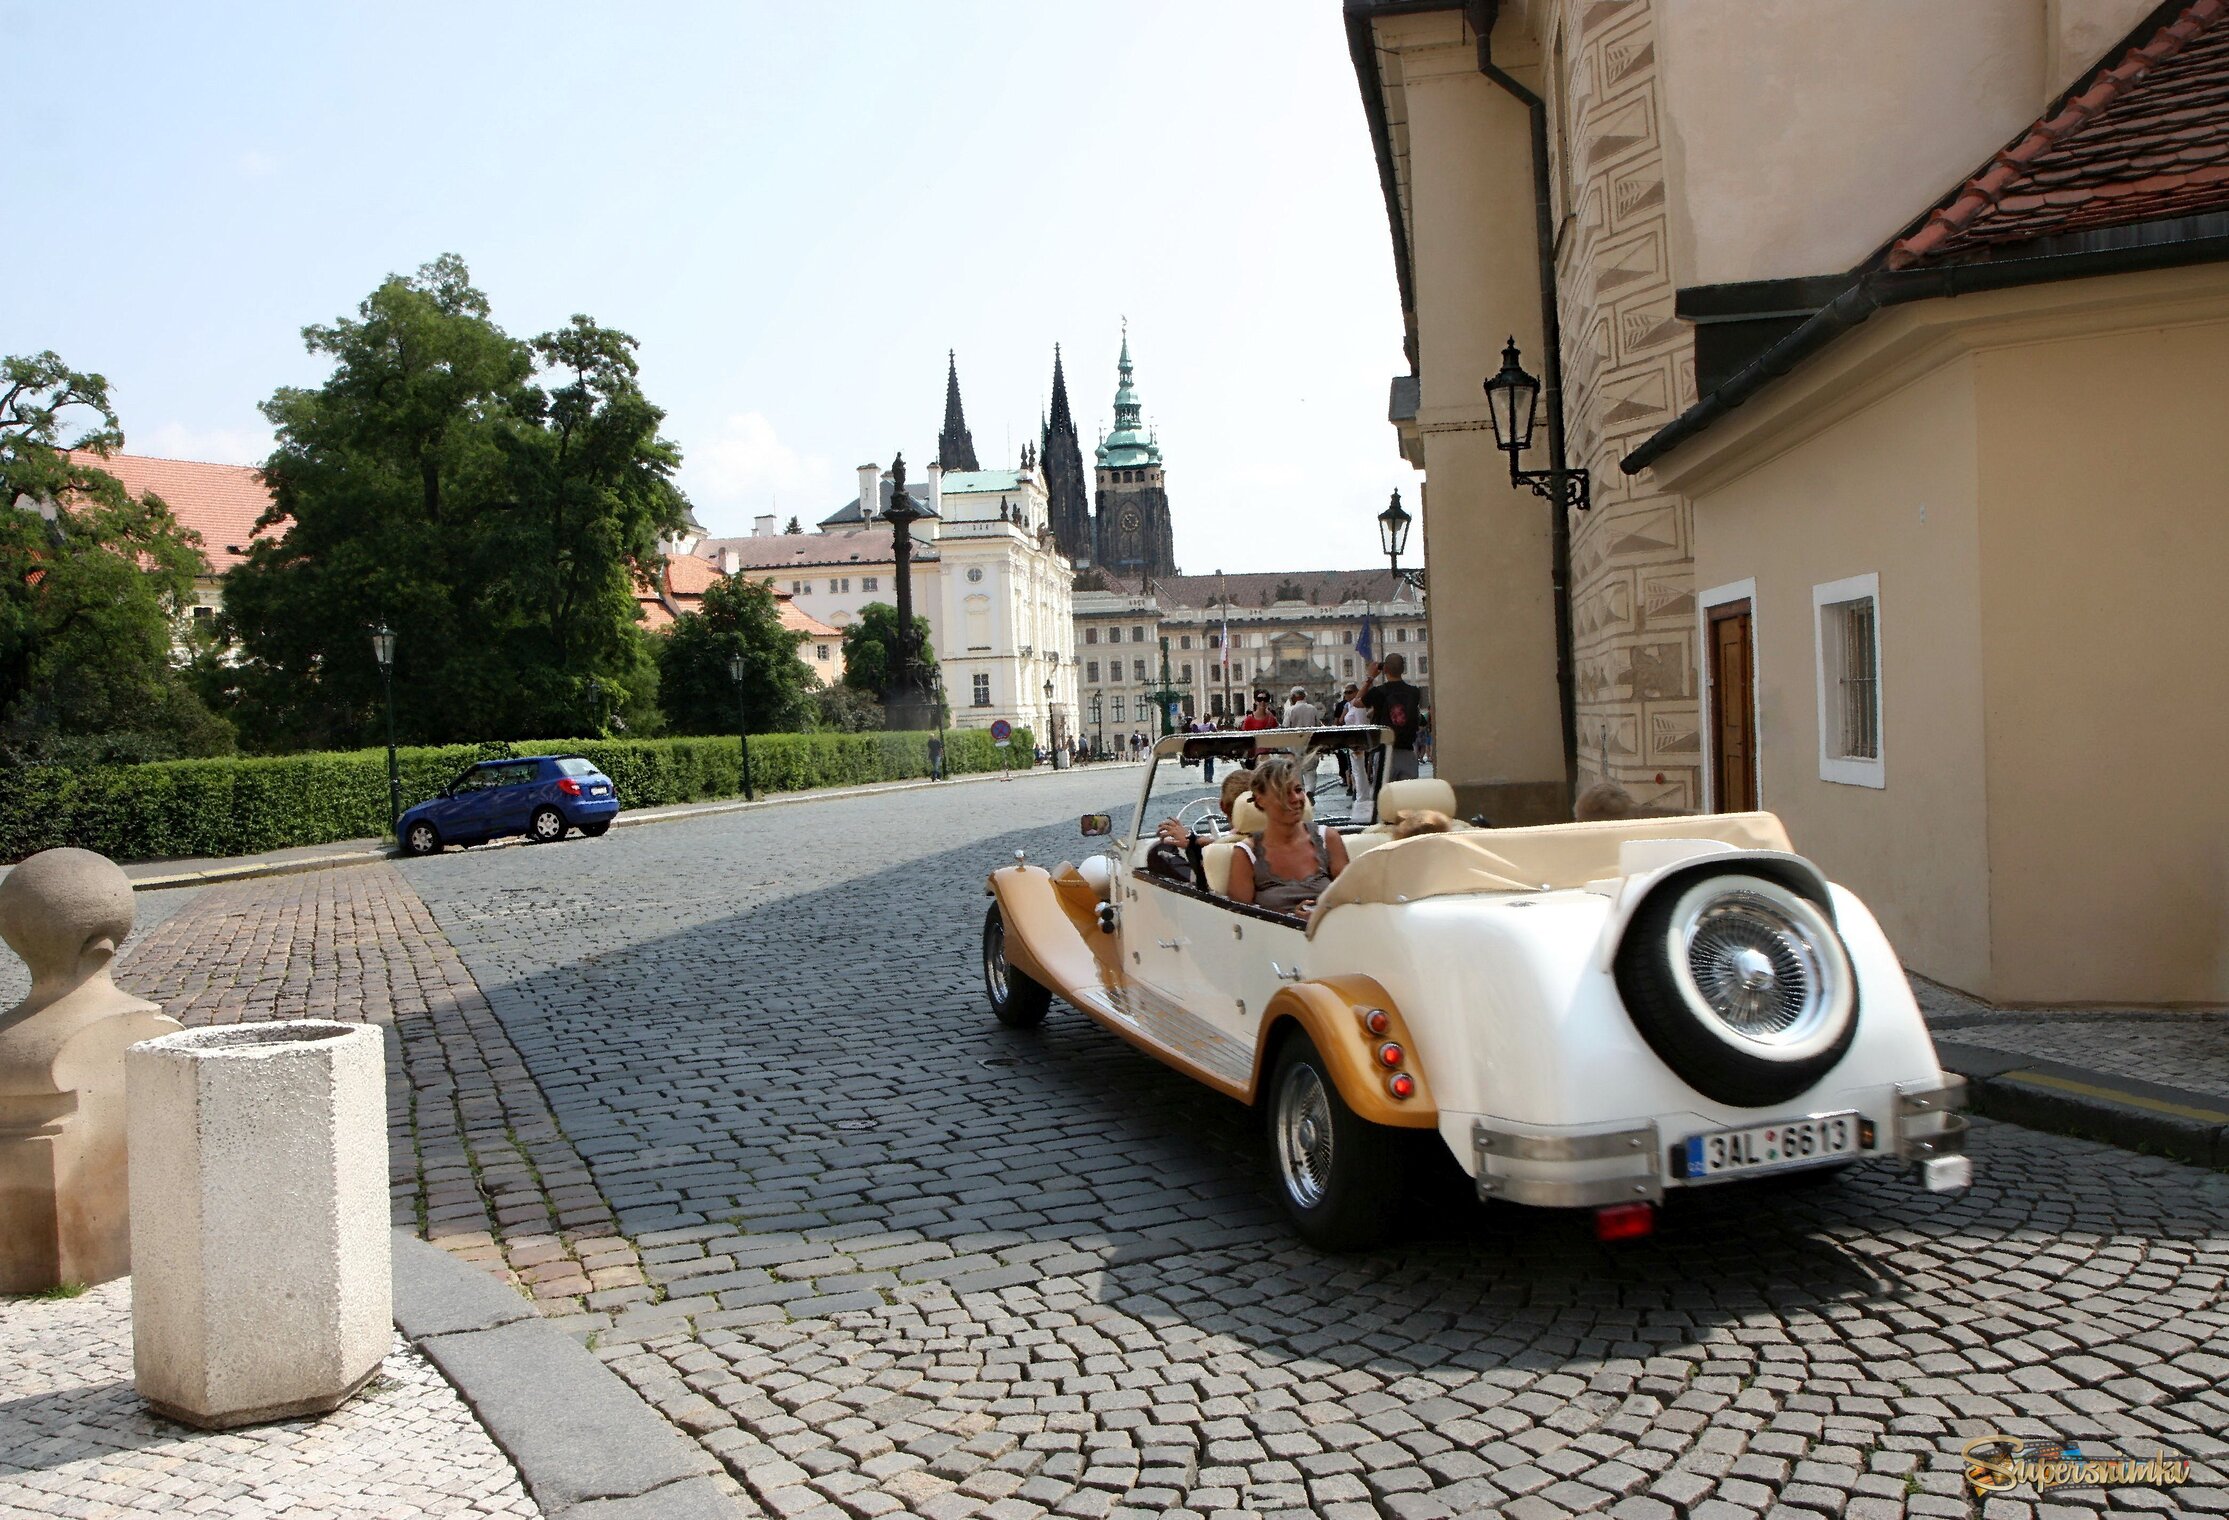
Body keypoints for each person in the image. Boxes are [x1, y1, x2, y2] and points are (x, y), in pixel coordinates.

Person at [1225, 754, 1350, 919]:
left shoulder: (1328, 839)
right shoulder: (1247, 854)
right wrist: (1289, 916)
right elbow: (1240, 919)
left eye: (1298, 790)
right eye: (1283, 793)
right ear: (1261, 800)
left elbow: (1351, 899)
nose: (1296, 799)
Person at [1357, 652, 1426, 782]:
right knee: (1408, 795)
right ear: (1403, 669)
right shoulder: (1414, 692)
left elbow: (1356, 701)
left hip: (1385, 751)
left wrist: (1370, 678)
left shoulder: (1378, 692)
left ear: (1385, 669)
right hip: (1408, 751)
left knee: (1385, 795)